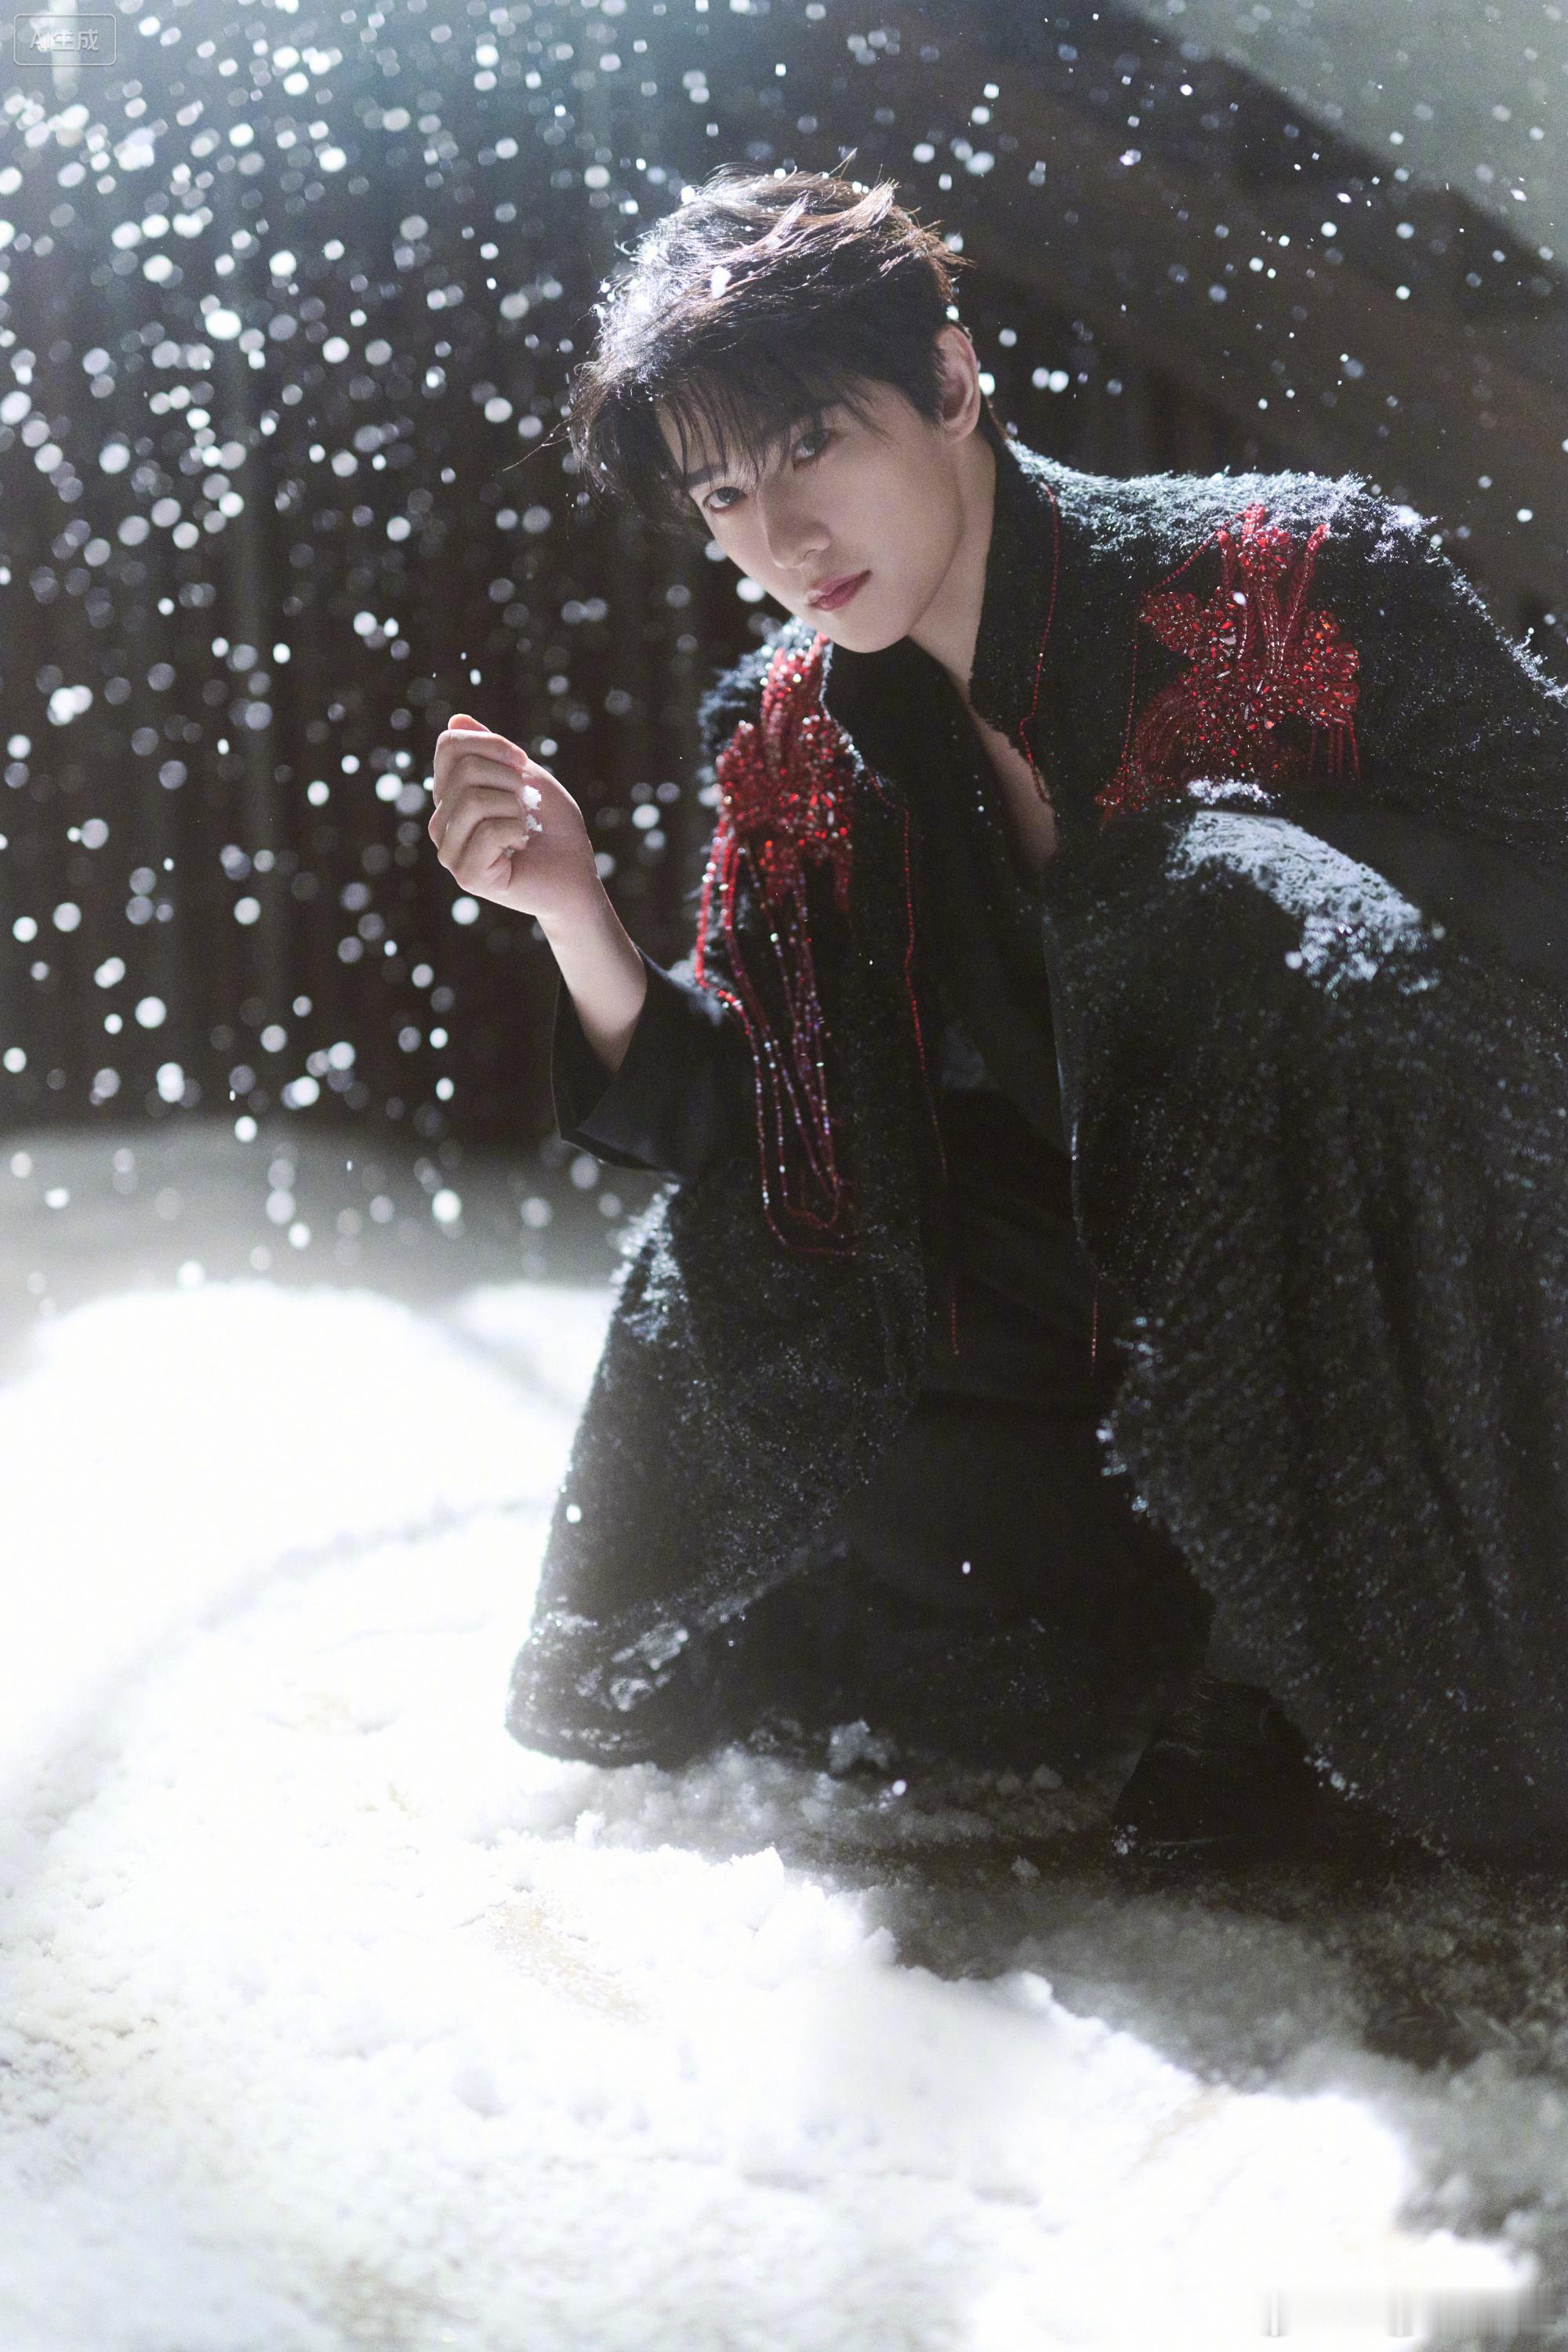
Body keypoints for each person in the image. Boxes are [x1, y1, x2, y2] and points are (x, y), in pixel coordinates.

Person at [429, 167, 1568, 1867]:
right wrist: (573, 914)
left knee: (1202, 895)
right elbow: (759, 1123)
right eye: (725, 493)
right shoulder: (793, 731)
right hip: (1121, 1327)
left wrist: (1274, 908)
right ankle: (1117, 1613)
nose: (781, 538)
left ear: (952, 384)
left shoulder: (1291, 581)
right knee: (774, 1256)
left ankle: (1318, 1676)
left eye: (813, 443)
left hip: (1448, 1273)